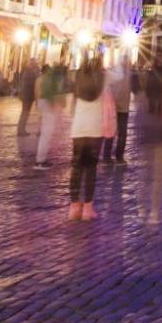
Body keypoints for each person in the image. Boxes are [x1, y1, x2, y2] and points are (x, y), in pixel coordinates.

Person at [68, 58, 113, 220]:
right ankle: (88, 209)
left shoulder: (78, 78)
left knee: (76, 168)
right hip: (95, 129)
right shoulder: (104, 78)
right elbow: (120, 75)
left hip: (78, 128)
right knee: (91, 169)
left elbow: (70, 108)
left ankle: (73, 208)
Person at [104, 57, 134, 164]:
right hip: (114, 107)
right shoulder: (114, 73)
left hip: (123, 107)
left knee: (121, 133)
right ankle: (107, 156)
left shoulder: (129, 73)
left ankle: (118, 156)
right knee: (111, 132)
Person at [15, 65, 38, 135]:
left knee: (24, 113)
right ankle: (21, 130)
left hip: (25, 96)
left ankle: (21, 129)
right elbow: (32, 85)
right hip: (28, 97)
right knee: (25, 113)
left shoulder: (26, 73)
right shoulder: (30, 74)